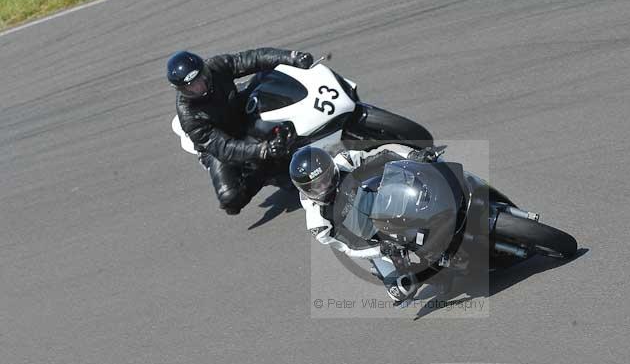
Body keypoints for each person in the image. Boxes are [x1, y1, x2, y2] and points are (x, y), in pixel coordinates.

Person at [167, 48, 314, 214]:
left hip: (238, 111)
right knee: (231, 198)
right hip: (217, 147)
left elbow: (252, 59)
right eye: (191, 86)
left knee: (266, 76)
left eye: (200, 78)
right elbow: (224, 148)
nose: (199, 86)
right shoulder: (189, 115)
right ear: (181, 90)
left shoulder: (215, 66)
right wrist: (262, 150)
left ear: (204, 70)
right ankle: (268, 170)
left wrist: (292, 57)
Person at [289, 144, 441, 304]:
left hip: (381, 201)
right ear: (305, 190)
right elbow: (351, 246)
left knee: (424, 178)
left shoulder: (343, 163)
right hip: (372, 240)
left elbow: (384, 153)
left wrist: (413, 155)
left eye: (326, 178)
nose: (324, 187)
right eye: (316, 186)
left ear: (332, 168)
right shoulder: (319, 224)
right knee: (401, 291)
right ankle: (426, 273)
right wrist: (382, 248)